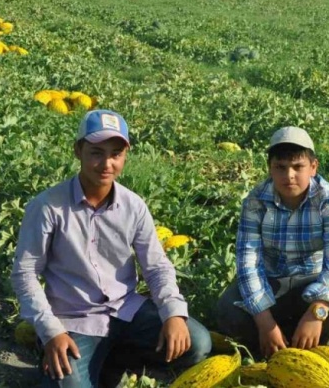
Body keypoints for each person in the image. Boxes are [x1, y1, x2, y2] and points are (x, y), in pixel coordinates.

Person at [11, 109, 211, 388]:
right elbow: (26, 274)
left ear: (125, 156)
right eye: (96, 152)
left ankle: (114, 357)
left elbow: (156, 266)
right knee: (64, 385)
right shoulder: (47, 207)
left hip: (126, 311)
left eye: (116, 153)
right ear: (78, 151)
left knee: (198, 343)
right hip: (75, 319)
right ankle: (74, 357)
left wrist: (173, 313)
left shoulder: (133, 206)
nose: (107, 163)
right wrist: (50, 331)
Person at [215, 126, 329, 358]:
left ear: (313, 167)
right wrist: (265, 322)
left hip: (313, 278)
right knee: (228, 309)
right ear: (270, 169)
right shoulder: (255, 202)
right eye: (280, 168)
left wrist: (317, 311)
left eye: (298, 167)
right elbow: (248, 264)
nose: (289, 175)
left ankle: (312, 341)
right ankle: (273, 339)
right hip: (272, 280)